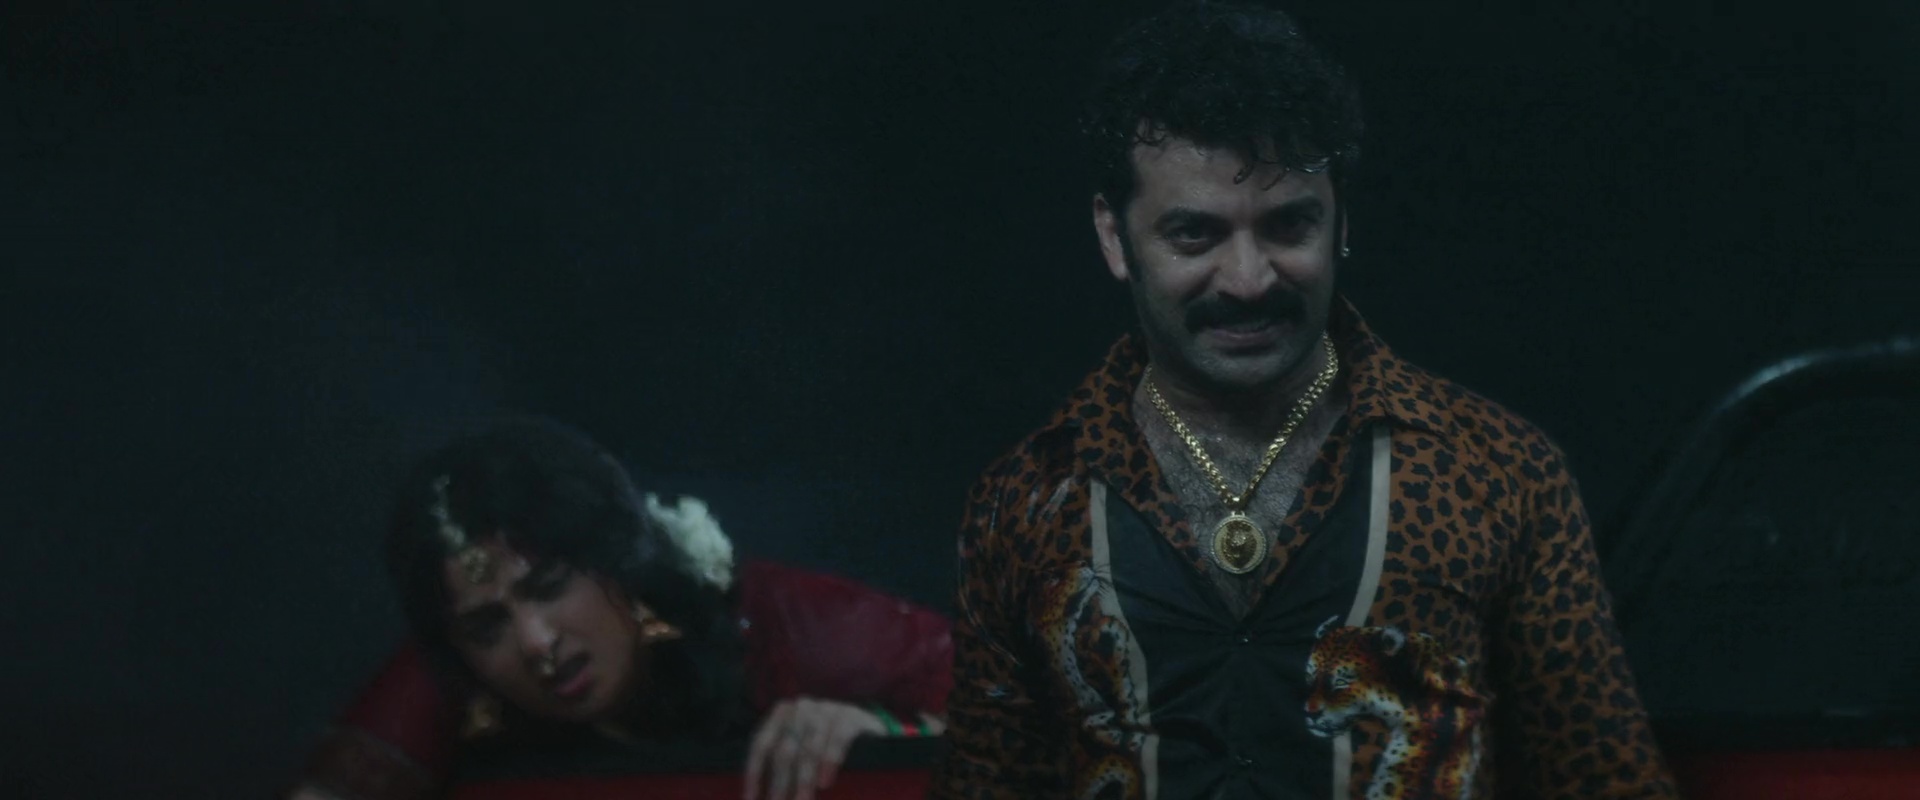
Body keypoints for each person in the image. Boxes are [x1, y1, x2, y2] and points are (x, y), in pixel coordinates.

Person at [928, 2, 1678, 798]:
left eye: (1289, 226)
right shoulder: (1025, 504)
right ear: (1115, 237)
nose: (1249, 279)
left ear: (1340, 220)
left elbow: (1609, 784)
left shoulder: (1499, 472)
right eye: (1195, 235)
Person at [286, 419, 951, 800]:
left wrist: (880, 728)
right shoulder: (458, 669)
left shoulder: (778, 618)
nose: (536, 641)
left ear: (619, 562)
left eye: (549, 587)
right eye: (489, 625)